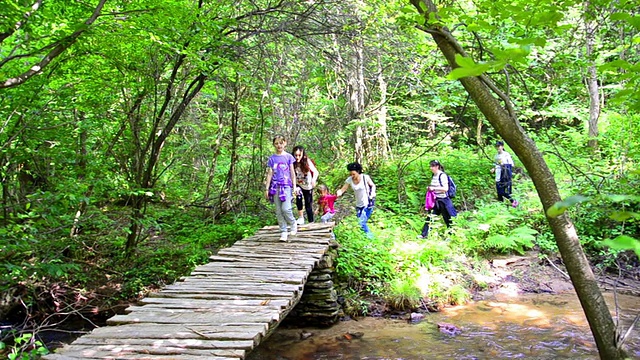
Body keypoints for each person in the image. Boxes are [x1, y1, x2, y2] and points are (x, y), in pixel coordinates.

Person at [265, 135, 297, 242]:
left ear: (285, 143)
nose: (279, 145)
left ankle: (292, 223)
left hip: (286, 186)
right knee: (278, 211)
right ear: (274, 145)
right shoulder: (272, 158)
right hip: (275, 187)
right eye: (276, 143)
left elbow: (292, 173)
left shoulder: (289, 157)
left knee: (286, 208)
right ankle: (283, 231)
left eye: (281, 143)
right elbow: (270, 173)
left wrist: (294, 186)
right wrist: (267, 188)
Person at [418, 160, 457, 239]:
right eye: (430, 166)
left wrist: (434, 188)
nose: (431, 168)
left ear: (437, 166)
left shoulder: (442, 175)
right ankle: (424, 234)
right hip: (436, 200)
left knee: (448, 218)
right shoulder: (434, 175)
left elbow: (445, 189)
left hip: (444, 200)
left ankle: (452, 236)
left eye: (432, 166)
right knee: (431, 217)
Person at [336, 162, 376, 237]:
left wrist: (372, 193)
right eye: (350, 174)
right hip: (358, 205)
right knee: (360, 223)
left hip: (367, 204)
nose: (352, 176)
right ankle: (363, 238)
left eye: (353, 174)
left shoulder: (365, 177)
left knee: (361, 223)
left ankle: (371, 239)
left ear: (358, 172)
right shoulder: (349, 180)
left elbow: (373, 185)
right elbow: (343, 189)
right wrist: (339, 192)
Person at [292, 145, 319, 225]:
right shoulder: (292, 162)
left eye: (299, 155)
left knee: (308, 204)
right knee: (299, 198)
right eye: (295, 155)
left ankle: (311, 222)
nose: (297, 157)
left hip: (308, 186)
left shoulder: (307, 161)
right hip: (298, 184)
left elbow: (316, 172)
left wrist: (314, 180)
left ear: (303, 154)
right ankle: (301, 218)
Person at [491, 140, 519, 207]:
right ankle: (502, 206)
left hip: (505, 175)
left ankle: (513, 201)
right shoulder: (496, 156)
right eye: (497, 146)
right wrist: (493, 169)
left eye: (499, 146)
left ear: (502, 146)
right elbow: (496, 165)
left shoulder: (506, 154)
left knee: (504, 191)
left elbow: (511, 164)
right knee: (499, 192)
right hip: (498, 175)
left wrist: (504, 165)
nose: (498, 148)